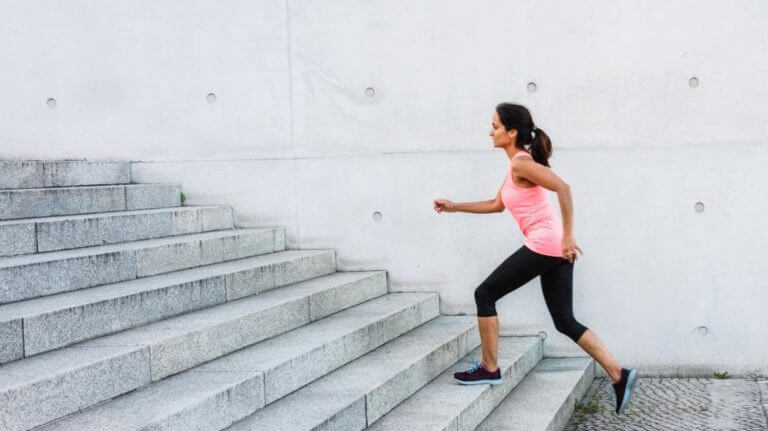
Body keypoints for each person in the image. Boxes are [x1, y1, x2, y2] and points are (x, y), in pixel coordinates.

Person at [433, 103, 637, 415]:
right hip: (553, 249)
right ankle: (619, 375)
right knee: (564, 321)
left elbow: (563, 188)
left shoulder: (521, 163)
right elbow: (496, 204)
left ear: (512, 132)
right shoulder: (515, 166)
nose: (490, 132)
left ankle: (489, 368)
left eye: (496, 127)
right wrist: (455, 206)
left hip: (547, 245)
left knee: (485, 293)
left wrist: (568, 236)